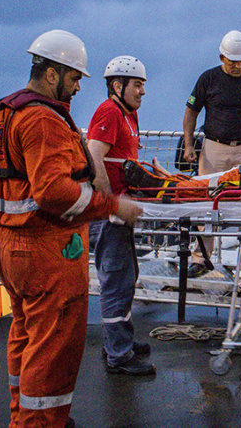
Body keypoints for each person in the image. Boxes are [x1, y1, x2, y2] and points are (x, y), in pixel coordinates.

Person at [0, 30, 143, 428]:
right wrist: (113, 206)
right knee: (53, 348)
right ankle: (42, 423)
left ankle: (22, 417)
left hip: (10, 243)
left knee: (25, 337)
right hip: (44, 248)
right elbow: (53, 191)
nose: (76, 89)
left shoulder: (9, 112)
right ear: (54, 73)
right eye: (74, 79)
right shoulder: (43, 118)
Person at [183, 30, 241, 279]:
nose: (238, 66)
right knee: (207, 204)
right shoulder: (208, 79)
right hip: (214, 148)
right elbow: (191, 113)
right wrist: (188, 146)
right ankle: (201, 258)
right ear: (222, 57)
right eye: (233, 61)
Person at [86, 56, 155, 376]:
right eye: (137, 85)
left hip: (120, 210)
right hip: (110, 214)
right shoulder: (110, 112)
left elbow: (121, 161)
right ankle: (118, 355)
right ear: (118, 85)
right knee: (115, 281)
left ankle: (119, 340)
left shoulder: (129, 114)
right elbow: (93, 156)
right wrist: (108, 203)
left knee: (126, 278)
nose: (142, 91)